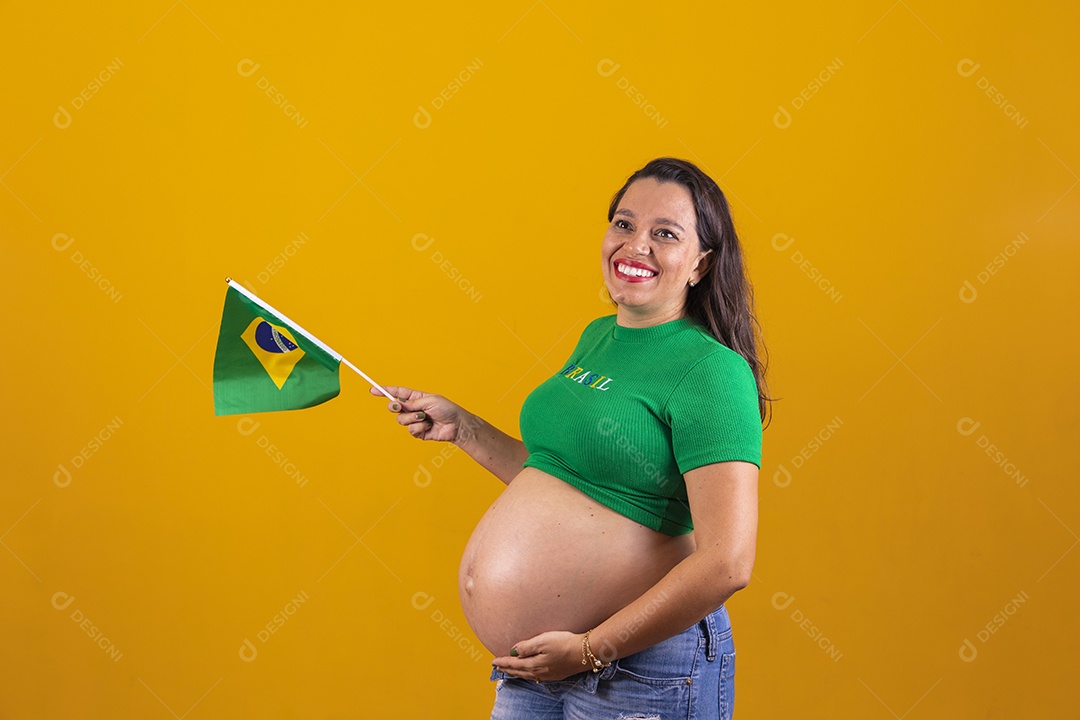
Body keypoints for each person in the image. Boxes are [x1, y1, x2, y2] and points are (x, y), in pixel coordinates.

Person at [371, 157, 773, 719]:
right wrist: (462, 428)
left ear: (701, 263)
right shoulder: (597, 337)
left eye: (665, 234)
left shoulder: (711, 371)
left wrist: (590, 649)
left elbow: (728, 561)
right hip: (537, 665)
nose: (636, 246)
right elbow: (566, 478)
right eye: (624, 224)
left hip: (637, 666)